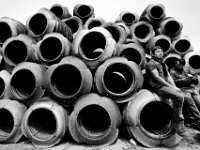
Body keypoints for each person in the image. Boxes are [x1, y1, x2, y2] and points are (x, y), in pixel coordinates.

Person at [145, 46, 186, 136]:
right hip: (157, 87)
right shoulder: (151, 64)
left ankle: (176, 119)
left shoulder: (163, 64)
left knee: (181, 95)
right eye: (158, 51)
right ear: (152, 54)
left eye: (161, 51)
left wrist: (175, 87)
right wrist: (171, 87)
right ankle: (178, 122)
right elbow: (157, 77)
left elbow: (168, 76)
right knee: (179, 96)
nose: (160, 53)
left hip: (164, 87)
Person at [170, 59, 200, 130]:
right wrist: (186, 80)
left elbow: (195, 78)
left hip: (192, 88)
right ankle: (198, 119)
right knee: (190, 102)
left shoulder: (186, 69)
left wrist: (191, 81)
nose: (181, 66)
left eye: (182, 65)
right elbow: (174, 83)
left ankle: (194, 119)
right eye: (179, 64)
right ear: (176, 64)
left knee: (198, 101)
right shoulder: (172, 72)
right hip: (182, 90)